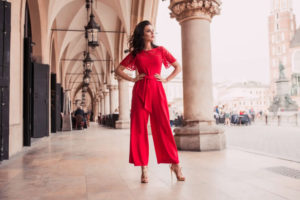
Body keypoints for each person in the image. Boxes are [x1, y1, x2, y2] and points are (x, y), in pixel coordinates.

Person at [115, 20, 185, 183]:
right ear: (142, 33)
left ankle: (175, 165)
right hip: (140, 92)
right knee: (139, 129)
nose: (152, 33)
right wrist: (132, 79)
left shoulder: (161, 50)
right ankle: (144, 168)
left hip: (157, 91)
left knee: (164, 128)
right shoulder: (136, 53)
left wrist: (166, 79)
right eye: (148, 31)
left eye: (153, 31)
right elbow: (118, 69)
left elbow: (177, 67)